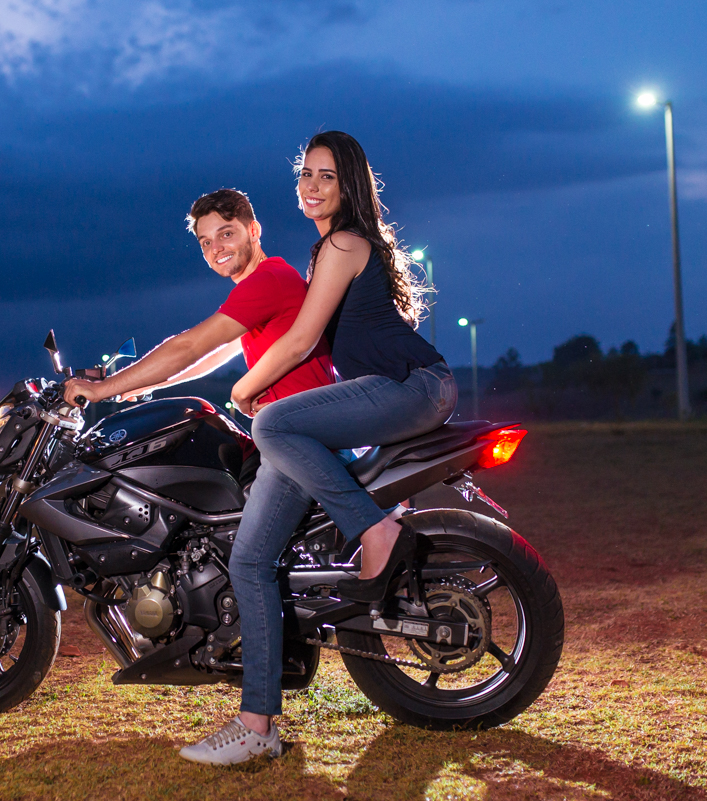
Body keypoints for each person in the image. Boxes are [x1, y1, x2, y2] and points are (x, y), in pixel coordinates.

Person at [180, 132, 457, 766]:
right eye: (305, 174)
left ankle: (377, 532)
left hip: (412, 385)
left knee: (273, 423)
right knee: (251, 560)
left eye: (325, 176)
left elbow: (303, 340)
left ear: (349, 183)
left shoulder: (342, 243)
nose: (310, 186)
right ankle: (258, 726)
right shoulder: (327, 250)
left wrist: (244, 390)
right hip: (395, 389)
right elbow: (216, 348)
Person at [63, 187, 334, 436]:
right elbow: (212, 355)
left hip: (303, 434)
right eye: (206, 242)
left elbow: (189, 348)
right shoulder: (271, 278)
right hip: (300, 428)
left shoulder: (266, 282)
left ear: (253, 231)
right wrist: (146, 383)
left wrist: (101, 389)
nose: (216, 249)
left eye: (226, 234)